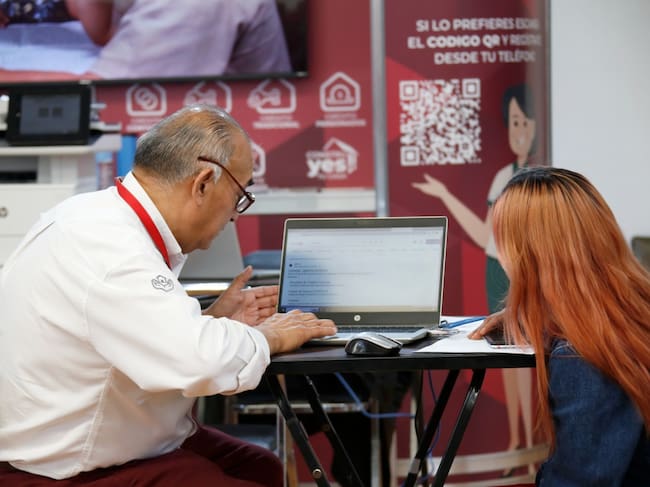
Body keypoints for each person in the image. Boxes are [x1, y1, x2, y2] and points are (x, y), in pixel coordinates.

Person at [0, 104, 337, 486]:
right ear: (203, 183)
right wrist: (271, 335)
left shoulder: (90, 213)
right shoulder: (113, 250)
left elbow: (130, 334)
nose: (234, 216)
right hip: (67, 467)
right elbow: (201, 365)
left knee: (259, 466)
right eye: (239, 196)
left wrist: (211, 320)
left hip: (84, 436)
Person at [470, 166, 650, 485]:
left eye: (503, 243)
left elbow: (579, 480)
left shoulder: (581, 354)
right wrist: (525, 315)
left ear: (530, 255)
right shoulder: (631, 310)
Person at [412, 84, 537, 468]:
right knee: (506, 355)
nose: (519, 131)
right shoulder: (503, 176)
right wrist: (445, 195)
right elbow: (486, 235)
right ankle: (517, 442)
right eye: (513, 122)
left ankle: (528, 445)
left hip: (522, 269)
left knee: (525, 355)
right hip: (496, 268)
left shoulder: (541, 180)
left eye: (525, 122)